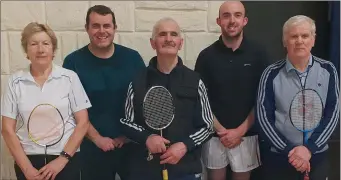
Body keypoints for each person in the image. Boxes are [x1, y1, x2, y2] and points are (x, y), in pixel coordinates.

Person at [120, 17, 214, 180]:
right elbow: (126, 121)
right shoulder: (137, 81)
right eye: (162, 34)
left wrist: (185, 146)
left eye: (173, 34)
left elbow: (207, 126)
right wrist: (147, 137)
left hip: (185, 170)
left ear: (180, 42)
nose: (168, 39)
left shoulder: (195, 80)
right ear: (153, 43)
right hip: (145, 171)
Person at [62, 5, 146, 180]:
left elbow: (143, 101)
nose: (102, 31)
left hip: (131, 146)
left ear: (115, 28)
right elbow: (71, 108)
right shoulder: (73, 62)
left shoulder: (133, 58)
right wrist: (97, 139)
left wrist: (129, 135)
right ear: (87, 28)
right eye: (95, 26)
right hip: (90, 148)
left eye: (107, 26)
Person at [1, 22, 91, 180]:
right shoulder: (15, 81)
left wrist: (62, 160)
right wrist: (27, 168)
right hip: (28, 161)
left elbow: (83, 122)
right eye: (34, 44)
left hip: (65, 160)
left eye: (45, 43)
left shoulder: (69, 78)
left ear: (53, 50)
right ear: (26, 51)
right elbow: (7, 129)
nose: (40, 49)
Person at [255, 15, 339, 180]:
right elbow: (263, 118)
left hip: (317, 156)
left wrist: (309, 149)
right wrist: (290, 151)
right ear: (285, 42)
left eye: (305, 36)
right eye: (294, 36)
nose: (299, 41)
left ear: (313, 40)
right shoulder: (271, 73)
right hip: (280, 158)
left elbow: (333, 113)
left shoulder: (328, 70)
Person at [194, 1, 269, 180]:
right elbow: (199, 100)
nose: (232, 20)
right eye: (226, 15)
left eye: (237, 15)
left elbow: (263, 99)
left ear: (245, 20)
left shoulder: (259, 54)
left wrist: (240, 131)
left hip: (246, 135)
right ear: (219, 21)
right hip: (214, 135)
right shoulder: (206, 57)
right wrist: (222, 131)